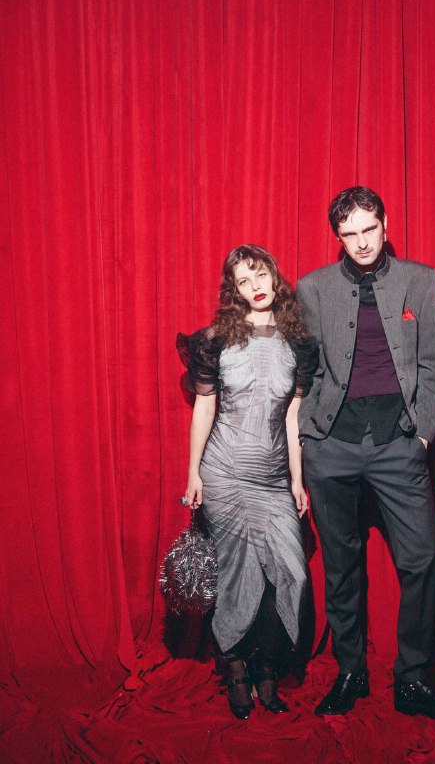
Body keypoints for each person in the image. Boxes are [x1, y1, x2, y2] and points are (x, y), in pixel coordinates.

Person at [297, 186, 435, 719]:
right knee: (341, 566)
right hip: (331, 445)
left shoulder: (420, 279)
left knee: (422, 558)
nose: (362, 242)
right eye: (349, 234)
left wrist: (421, 437)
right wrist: (308, 439)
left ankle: (411, 679)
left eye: (369, 229)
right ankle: (350, 672)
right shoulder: (313, 288)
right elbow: (306, 370)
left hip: (398, 444)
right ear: (338, 237)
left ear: (385, 224)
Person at [177, 244, 317, 720]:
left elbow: (294, 418)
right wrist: (194, 471)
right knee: (238, 576)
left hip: (273, 479)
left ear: (274, 276)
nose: (255, 286)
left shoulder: (297, 344)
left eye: (259, 275)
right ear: (234, 291)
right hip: (224, 474)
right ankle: (239, 667)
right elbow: (204, 407)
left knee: (292, 573)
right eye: (243, 281)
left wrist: (297, 481)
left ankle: (267, 661)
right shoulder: (216, 340)